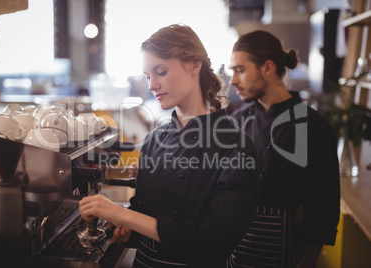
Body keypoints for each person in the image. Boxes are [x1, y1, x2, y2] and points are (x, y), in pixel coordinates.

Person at [79, 24, 259, 267]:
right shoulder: (155, 139)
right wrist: (127, 229)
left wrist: (124, 214)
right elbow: (145, 217)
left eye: (160, 72)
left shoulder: (235, 145)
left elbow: (217, 241)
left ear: (194, 65)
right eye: (147, 77)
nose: (152, 85)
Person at [227, 30, 340, 268]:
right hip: (234, 245)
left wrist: (309, 258)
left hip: (284, 249)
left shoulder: (310, 125)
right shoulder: (236, 122)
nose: (233, 81)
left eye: (240, 70)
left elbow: (323, 201)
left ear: (267, 68)